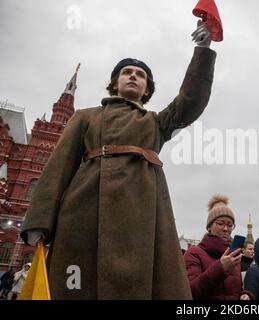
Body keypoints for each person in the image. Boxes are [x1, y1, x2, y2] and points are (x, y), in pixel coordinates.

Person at [19, 20, 216, 299]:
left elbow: (190, 100)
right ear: (115, 83)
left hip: (144, 217)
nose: (133, 76)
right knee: (77, 285)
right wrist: (39, 222)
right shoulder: (86, 117)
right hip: (84, 211)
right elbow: (57, 169)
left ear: (147, 89)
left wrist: (203, 50)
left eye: (140, 74)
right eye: (126, 72)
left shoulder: (157, 123)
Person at [183, 194, 252, 300]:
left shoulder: (232, 255)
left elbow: (233, 291)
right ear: (209, 227)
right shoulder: (193, 253)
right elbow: (191, 291)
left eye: (230, 225)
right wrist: (221, 268)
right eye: (220, 223)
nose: (226, 229)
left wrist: (244, 295)